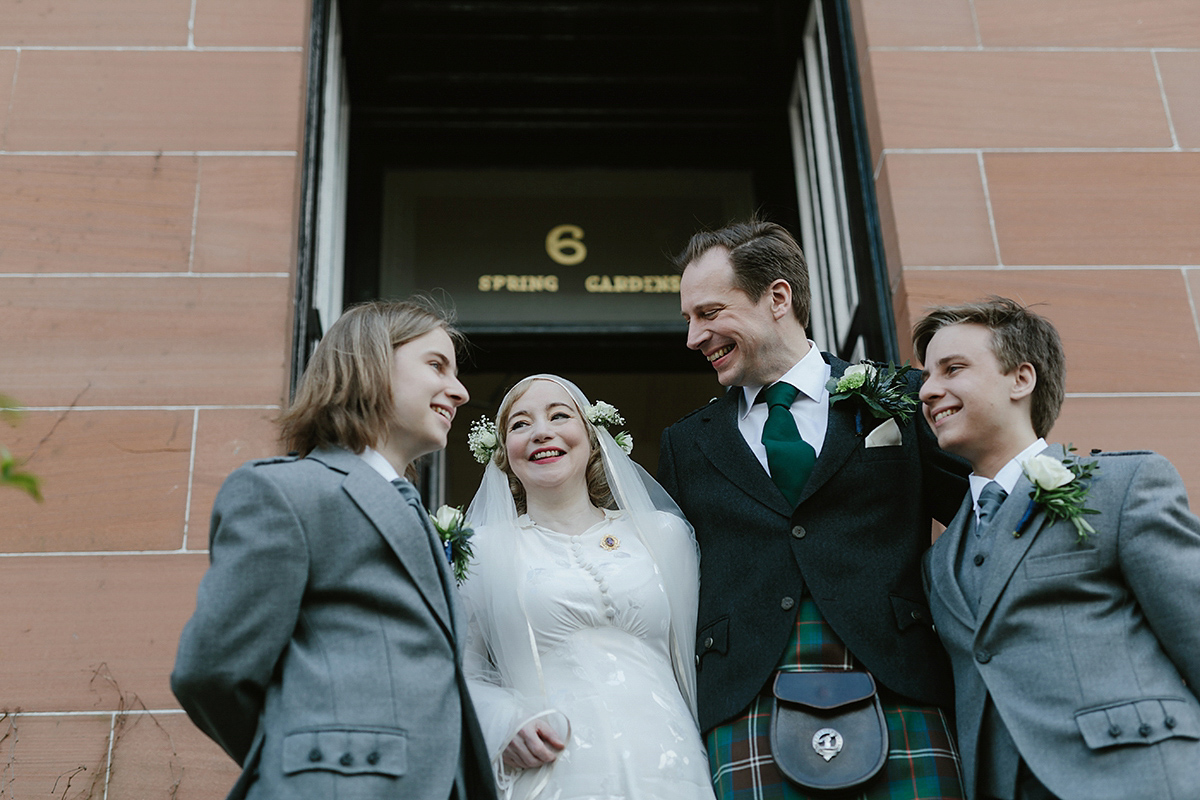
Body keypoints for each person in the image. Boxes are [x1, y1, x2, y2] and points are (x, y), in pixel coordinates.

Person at [658, 218, 970, 799]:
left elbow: (988, 517)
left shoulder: (901, 397)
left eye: (709, 313)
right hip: (747, 689)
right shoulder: (686, 444)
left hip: (896, 675)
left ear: (778, 297)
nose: (693, 337)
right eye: (689, 320)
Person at [171, 299, 497, 800]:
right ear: (369, 363)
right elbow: (210, 672)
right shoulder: (287, 492)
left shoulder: (414, 513)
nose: (459, 390)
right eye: (436, 365)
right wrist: (303, 757)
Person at [914, 297, 1200, 800]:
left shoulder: (1122, 485)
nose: (928, 390)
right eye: (926, 375)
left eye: (952, 369)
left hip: (1142, 775)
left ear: (1021, 379)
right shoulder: (939, 560)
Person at [459, 374, 717, 800]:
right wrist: (503, 722)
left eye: (560, 416)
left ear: (592, 437)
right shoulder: (484, 551)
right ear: (503, 453)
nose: (542, 431)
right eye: (520, 424)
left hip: (673, 764)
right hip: (555, 773)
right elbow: (457, 672)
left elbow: (701, 655)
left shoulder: (663, 535)